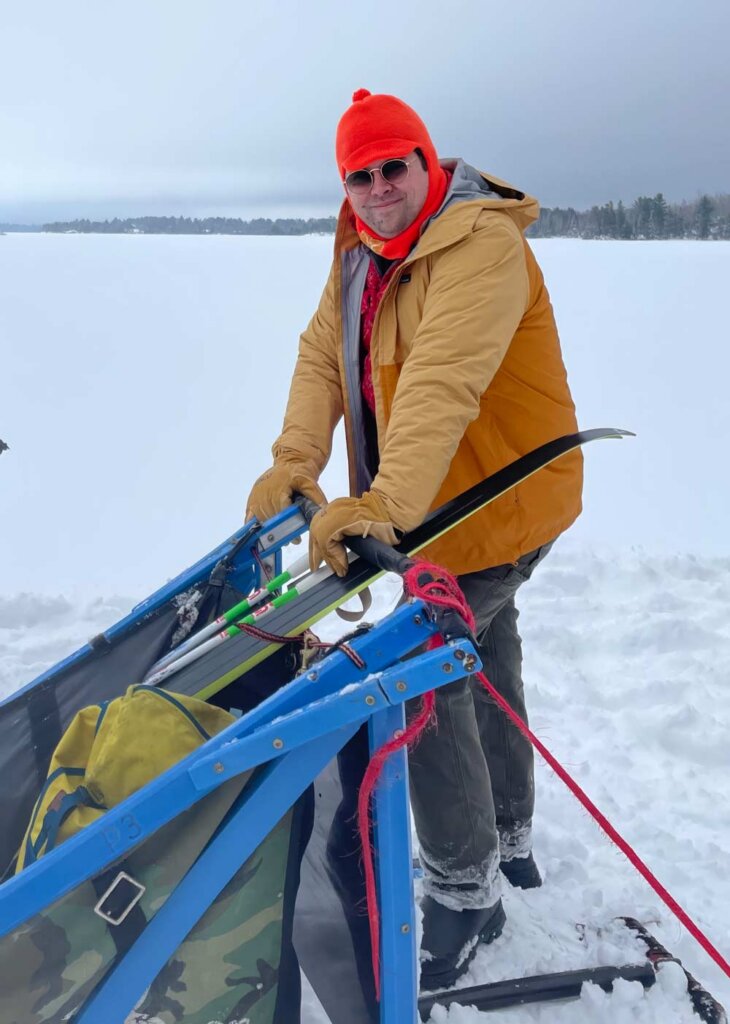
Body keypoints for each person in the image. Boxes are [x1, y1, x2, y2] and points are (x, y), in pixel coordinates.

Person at [246, 89, 583, 990]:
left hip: (501, 498)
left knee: (426, 664)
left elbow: (440, 382)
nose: (377, 186)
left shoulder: (482, 244)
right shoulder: (359, 246)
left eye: (393, 166)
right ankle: (509, 833)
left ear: (427, 163)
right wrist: (295, 460)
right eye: (359, 174)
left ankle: (468, 893)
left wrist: (383, 505)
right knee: (484, 645)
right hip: (437, 511)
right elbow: (324, 353)